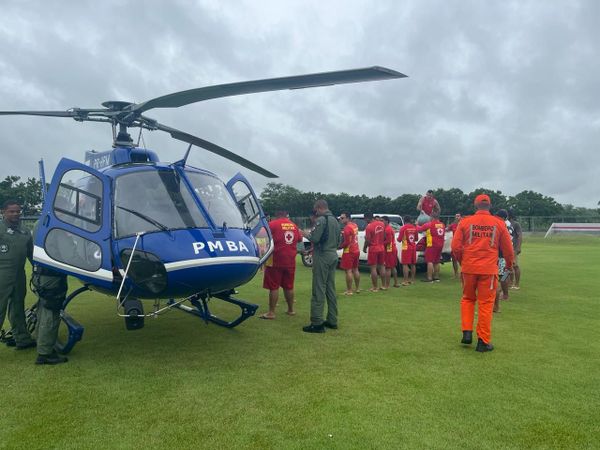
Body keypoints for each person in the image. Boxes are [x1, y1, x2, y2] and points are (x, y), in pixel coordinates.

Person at [451, 194, 514, 352]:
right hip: (488, 270)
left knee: (467, 299)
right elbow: (508, 249)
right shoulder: (498, 223)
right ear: (489, 206)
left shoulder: (465, 222)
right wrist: (508, 265)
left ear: (475, 205)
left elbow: (455, 247)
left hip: (469, 268)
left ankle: (467, 332)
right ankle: (483, 341)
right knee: (486, 304)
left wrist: (462, 263)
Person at [0, 200, 36, 350]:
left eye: (18, 211)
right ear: (3, 212)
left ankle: (22, 338)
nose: (15, 214)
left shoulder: (25, 231)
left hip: (19, 275)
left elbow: (31, 254)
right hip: (2, 274)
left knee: (17, 307)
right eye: (11, 211)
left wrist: (37, 269)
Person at [301, 200, 341, 333]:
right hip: (333, 254)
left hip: (322, 255)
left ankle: (317, 322)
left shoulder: (321, 220)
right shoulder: (335, 220)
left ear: (319, 208)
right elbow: (340, 240)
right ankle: (332, 320)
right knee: (330, 288)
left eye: (315, 209)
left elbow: (315, 238)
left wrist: (305, 234)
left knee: (318, 288)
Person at [259, 211, 301, 320]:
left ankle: (271, 313)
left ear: (277, 215)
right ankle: (291, 310)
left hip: (275, 259)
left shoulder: (273, 224)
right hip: (290, 260)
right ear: (286, 215)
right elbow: (300, 239)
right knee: (289, 286)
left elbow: (261, 235)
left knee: (273, 286)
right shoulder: (294, 225)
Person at [416, 210, 445, 282]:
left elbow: (419, 229)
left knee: (430, 261)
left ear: (431, 217)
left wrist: (416, 224)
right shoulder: (442, 224)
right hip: (440, 245)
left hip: (431, 244)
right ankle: (436, 277)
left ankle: (429, 278)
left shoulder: (429, 224)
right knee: (437, 261)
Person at [363, 213, 385, 292]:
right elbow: (384, 236)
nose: (365, 221)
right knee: (382, 266)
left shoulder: (369, 227)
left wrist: (364, 247)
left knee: (373, 268)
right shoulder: (382, 224)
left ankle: (375, 287)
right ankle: (383, 285)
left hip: (373, 248)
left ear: (367, 218)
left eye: (365, 220)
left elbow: (368, 240)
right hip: (381, 248)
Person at [339, 212, 360, 295]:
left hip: (349, 251)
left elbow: (346, 242)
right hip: (356, 249)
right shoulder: (354, 225)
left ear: (347, 218)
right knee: (356, 269)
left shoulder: (346, 228)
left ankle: (349, 290)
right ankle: (357, 288)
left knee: (348, 271)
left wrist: (339, 247)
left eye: (342, 218)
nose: (341, 219)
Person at [397, 215, 418, 286]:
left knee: (405, 264)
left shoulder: (403, 228)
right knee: (413, 264)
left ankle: (405, 281)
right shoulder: (414, 228)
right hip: (413, 247)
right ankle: (412, 280)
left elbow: (399, 240)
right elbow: (416, 239)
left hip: (406, 248)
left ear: (404, 220)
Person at [382, 216, 399, 289]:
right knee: (393, 267)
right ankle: (396, 283)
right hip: (393, 249)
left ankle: (387, 285)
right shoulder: (389, 228)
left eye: (382, 220)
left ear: (386, 221)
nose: (381, 222)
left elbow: (388, 241)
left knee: (388, 268)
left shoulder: (387, 229)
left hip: (389, 250)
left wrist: (381, 243)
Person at [508, 209, 523, 290]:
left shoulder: (516, 224)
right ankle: (509, 283)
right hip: (505, 249)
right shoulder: (503, 223)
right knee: (506, 266)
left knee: (515, 265)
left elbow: (520, 236)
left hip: (513, 248)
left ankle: (516, 284)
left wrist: (518, 247)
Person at [447, 213, 462, 278]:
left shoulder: (463, 224)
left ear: (460, 217)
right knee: (454, 259)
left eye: (458, 216)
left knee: (463, 260)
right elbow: (446, 229)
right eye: (456, 216)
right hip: (455, 244)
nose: (457, 217)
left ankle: (464, 273)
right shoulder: (453, 225)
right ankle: (456, 274)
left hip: (462, 245)